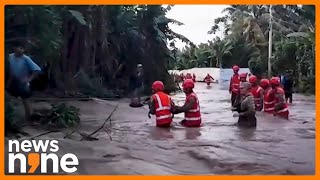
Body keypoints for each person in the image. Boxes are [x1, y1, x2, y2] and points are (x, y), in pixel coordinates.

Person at [6, 43, 41, 122]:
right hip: (13, 81)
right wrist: (8, 82)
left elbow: (37, 70)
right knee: (10, 99)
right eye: (19, 47)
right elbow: (10, 70)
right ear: (14, 48)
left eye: (22, 48)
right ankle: (12, 118)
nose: (20, 50)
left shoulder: (26, 59)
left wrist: (29, 79)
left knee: (25, 100)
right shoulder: (10, 57)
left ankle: (29, 119)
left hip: (23, 82)